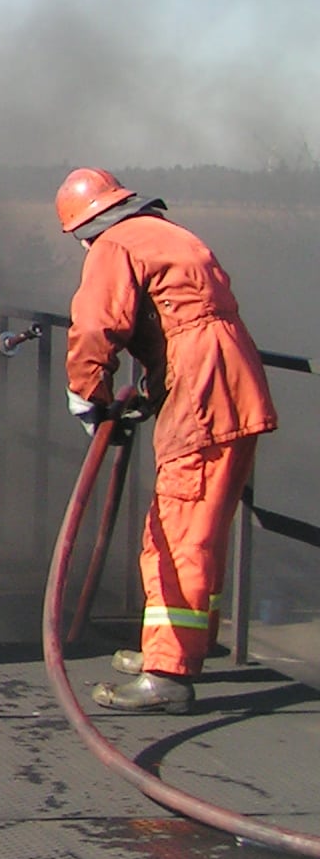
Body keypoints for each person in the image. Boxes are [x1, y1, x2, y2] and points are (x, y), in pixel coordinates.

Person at [57, 167, 278, 713]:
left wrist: (87, 395)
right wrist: (152, 390)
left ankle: (168, 673)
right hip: (231, 385)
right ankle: (178, 647)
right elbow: (181, 324)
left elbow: (95, 326)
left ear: (86, 227)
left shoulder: (114, 245)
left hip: (204, 396)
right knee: (200, 529)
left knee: (176, 533)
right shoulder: (165, 234)